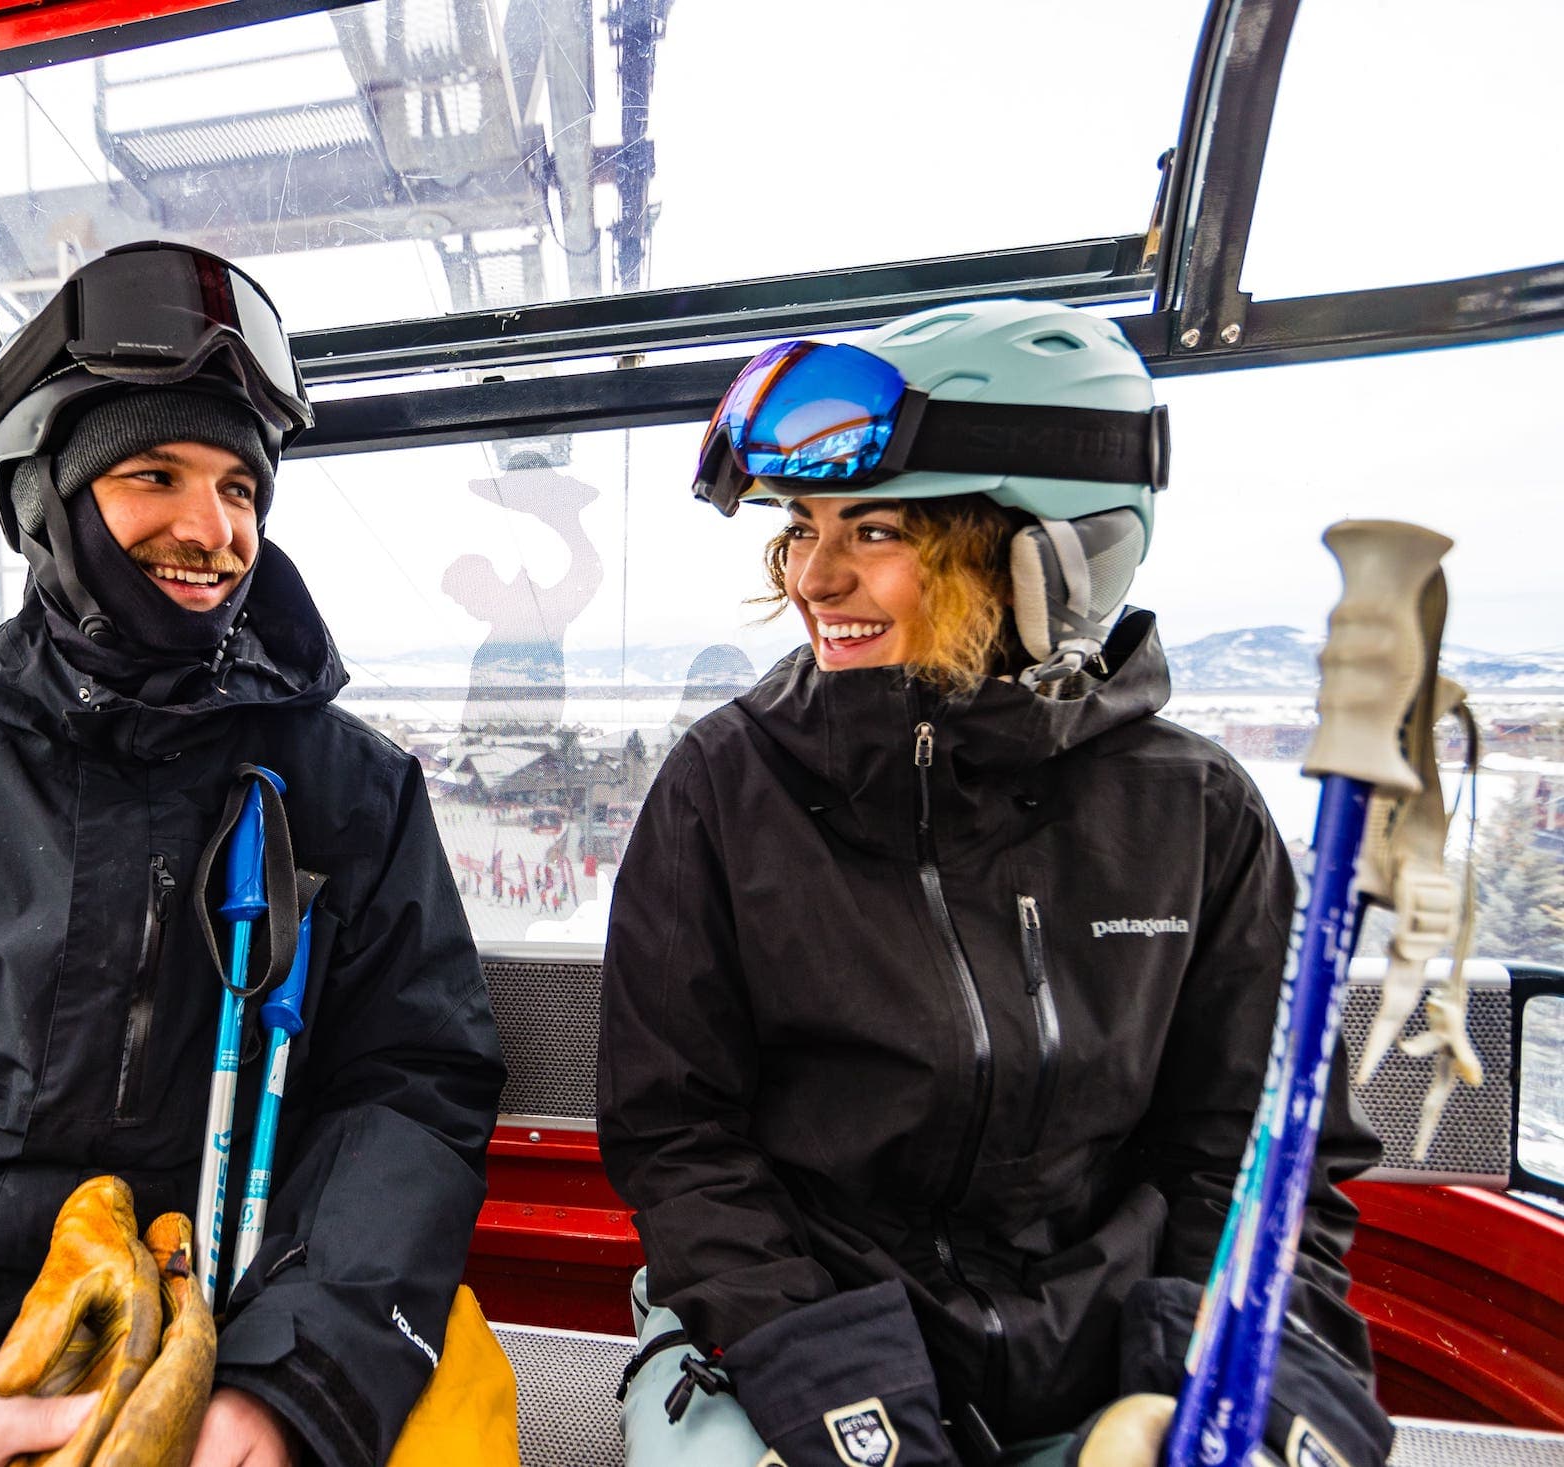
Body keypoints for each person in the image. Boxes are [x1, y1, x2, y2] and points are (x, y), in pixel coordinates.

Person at [0, 241, 505, 1467]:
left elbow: (408, 1094)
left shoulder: (350, 790)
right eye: (152, 472)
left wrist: (288, 1392)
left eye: (240, 489)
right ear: (47, 500)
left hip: (267, 1297)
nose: (209, 528)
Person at [596, 302, 1394, 1467]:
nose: (812, 575)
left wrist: (1227, 1364)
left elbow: (1258, 1150)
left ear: (1040, 557)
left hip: (1105, 1342)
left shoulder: (1196, 811)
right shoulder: (727, 786)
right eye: (800, 528)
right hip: (786, 1313)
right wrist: (832, 1379)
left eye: (871, 531)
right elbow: (678, 1139)